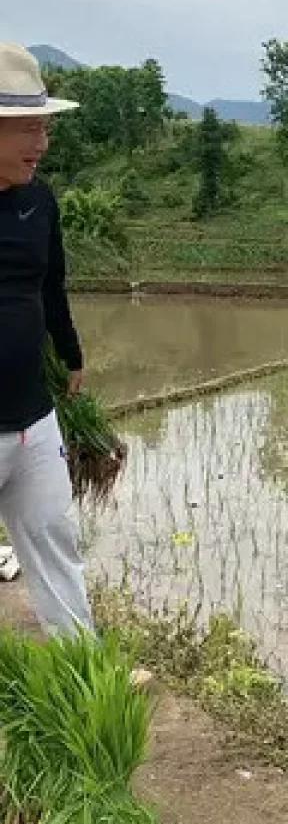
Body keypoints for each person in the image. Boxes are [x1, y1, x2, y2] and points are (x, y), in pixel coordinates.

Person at [0, 44, 150, 684]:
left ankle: (87, 674)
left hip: (33, 418)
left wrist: (71, 353)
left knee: (55, 544)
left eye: (45, 124)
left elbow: (51, 285)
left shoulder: (42, 203)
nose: (44, 140)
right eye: (29, 126)